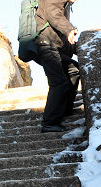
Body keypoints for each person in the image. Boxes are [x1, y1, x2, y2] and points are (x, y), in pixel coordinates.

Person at [35, 0, 81, 133]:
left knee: (74, 70)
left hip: (52, 44)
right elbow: (52, 13)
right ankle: (49, 123)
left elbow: (58, 33)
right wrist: (69, 29)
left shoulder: (66, 4)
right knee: (59, 82)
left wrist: (76, 47)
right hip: (44, 43)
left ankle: (64, 111)